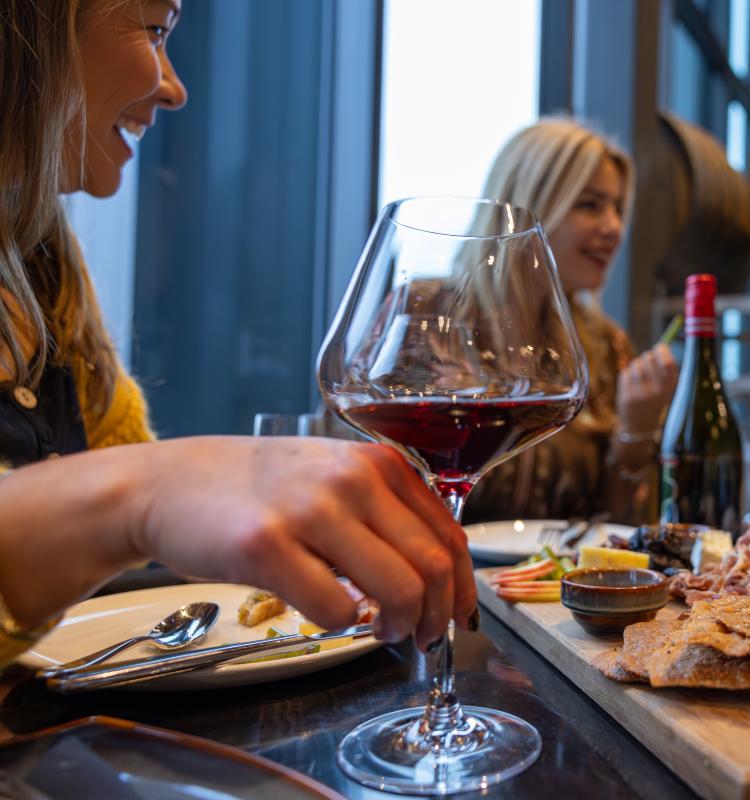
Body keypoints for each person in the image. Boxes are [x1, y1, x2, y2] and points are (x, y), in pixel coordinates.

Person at [0, 0, 474, 666]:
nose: (174, 85)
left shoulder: (46, 265)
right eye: (155, 31)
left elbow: (144, 531)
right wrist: (143, 494)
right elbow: (138, 493)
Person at [462, 118, 678, 524]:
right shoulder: (427, 316)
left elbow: (621, 532)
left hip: (553, 584)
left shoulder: (606, 345)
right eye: (590, 205)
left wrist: (637, 431)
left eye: (617, 208)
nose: (614, 228)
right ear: (529, 206)